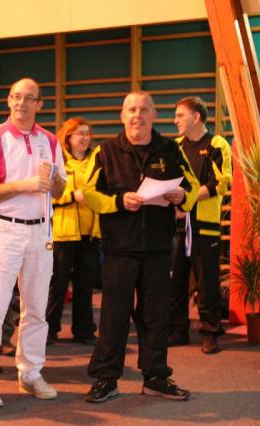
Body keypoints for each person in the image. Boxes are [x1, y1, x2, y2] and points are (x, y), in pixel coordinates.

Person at [83, 91, 200, 403]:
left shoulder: (171, 150)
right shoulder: (106, 151)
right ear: (122, 116)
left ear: (154, 115)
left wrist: (182, 197)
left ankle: (156, 377)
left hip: (159, 247)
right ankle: (107, 378)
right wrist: (119, 200)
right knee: (114, 315)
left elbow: (191, 187)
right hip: (119, 246)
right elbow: (89, 192)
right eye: (132, 110)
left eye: (144, 109)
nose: (138, 115)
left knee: (156, 316)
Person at [0, 77, 67, 408]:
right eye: (15, 97)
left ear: (39, 104)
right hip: (4, 231)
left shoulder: (50, 140)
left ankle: (30, 373)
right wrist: (24, 185)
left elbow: (60, 191)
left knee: (37, 309)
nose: (20, 103)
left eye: (28, 98)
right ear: (8, 101)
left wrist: (53, 180)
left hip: (41, 232)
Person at [169, 96, 232, 354]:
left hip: (205, 226)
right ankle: (178, 330)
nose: (175, 120)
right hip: (177, 226)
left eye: (180, 115)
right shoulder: (175, 146)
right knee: (175, 281)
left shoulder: (217, 144)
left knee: (207, 283)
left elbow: (220, 183)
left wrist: (187, 200)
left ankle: (210, 332)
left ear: (196, 117)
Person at [46, 117, 101, 345]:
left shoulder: (96, 161)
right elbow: (47, 196)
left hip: (90, 233)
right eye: (80, 134)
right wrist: (71, 196)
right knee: (57, 285)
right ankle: (49, 329)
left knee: (85, 285)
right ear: (68, 137)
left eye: (88, 134)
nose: (85, 138)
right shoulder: (58, 162)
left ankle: (84, 330)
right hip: (63, 233)